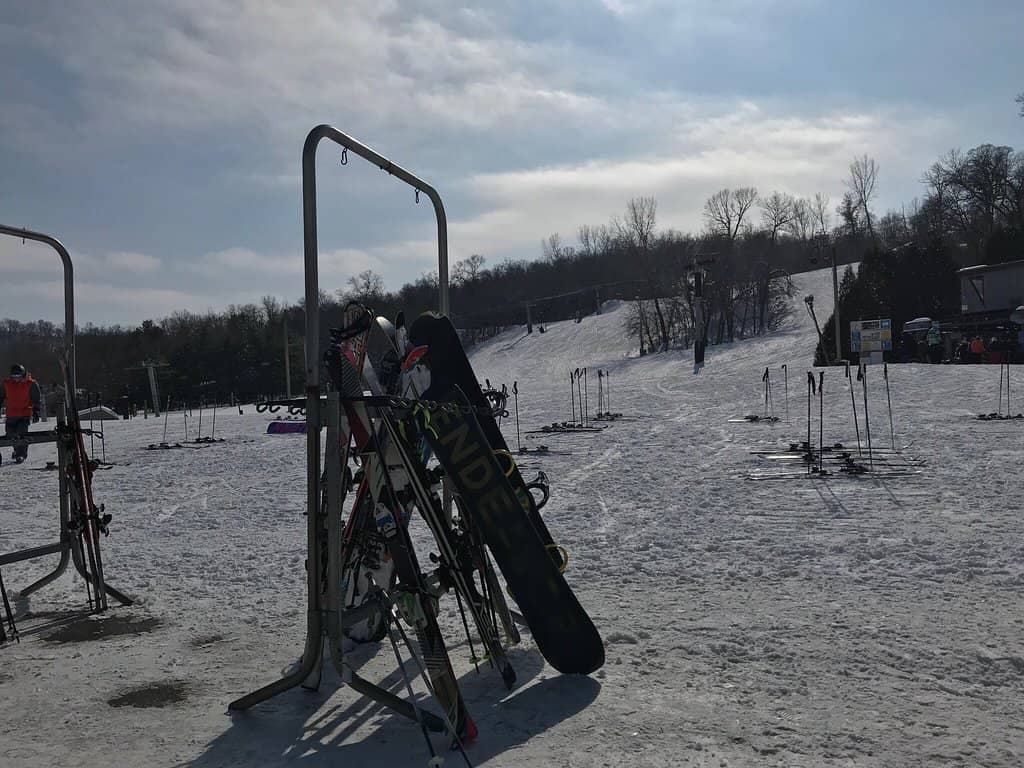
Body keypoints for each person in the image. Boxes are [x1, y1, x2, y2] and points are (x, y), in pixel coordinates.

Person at [0, 365, 42, 465]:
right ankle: (16, 450)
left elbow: (36, 398)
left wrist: (36, 411)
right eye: (14, 376)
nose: (16, 378)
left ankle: (21, 454)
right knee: (10, 435)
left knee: (22, 433)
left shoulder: (30, 384)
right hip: (11, 414)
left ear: (23, 374)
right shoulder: (7, 383)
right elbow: (1, 396)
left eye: (18, 376)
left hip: (24, 413)